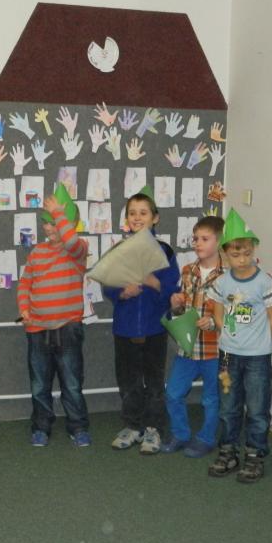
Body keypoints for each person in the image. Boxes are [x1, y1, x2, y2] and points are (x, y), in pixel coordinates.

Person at [207, 209, 272, 483]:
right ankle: (228, 451)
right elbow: (217, 312)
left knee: (258, 408)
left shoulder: (264, 282)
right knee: (228, 405)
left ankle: (254, 454)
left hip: (257, 358)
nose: (241, 260)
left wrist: (260, 340)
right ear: (225, 253)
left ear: (253, 251)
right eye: (235, 254)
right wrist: (227, 333)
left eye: (247, 253)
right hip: (228, 356)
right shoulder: (221, 282)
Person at [104, 186, 180, 455]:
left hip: (154, 328)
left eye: (143, 213)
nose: (137, 217)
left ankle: (153, 428)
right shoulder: (119, 249)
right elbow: (108, 284)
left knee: (154, 382)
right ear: (127, 219)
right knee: (128, 382)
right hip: (124, 329)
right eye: (132, 213)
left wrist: (153, 283)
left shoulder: (164, 251)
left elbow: (172, 288)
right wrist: (121, 292)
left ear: (155, 218)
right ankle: (132, 426)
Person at [17, 184, 91, 448]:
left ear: (68, 223)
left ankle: (78, 426)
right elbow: (25, 283)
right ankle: (41, 426)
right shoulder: (37, 252)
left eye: (54, 222)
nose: (49, 227)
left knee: (71, 383)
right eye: (46, 222)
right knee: (39, 384)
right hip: (37, 328)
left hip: (68, 327)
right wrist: (24, 309)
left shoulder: (77, 250)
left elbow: (71, 241)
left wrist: (59, 212)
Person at [163, 215, 225, 458]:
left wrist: (214, 322)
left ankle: (206, 438)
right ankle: (180, 434)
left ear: (219, 241)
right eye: (195, 238)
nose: (198, 243)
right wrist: (176, 304)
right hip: (188, 347)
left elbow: (234, 312)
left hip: (215, 349)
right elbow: (182, 310)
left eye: (204, 239)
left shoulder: (228, 275)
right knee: (173, 393)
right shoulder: (188, 271)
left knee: (211, 398)